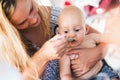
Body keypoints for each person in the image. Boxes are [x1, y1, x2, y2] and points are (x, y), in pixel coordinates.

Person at [0, 0, 107, 80]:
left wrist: (96, 53)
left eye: (31, 8)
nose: (34, 20)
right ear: (10, 27)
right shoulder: (6, 51)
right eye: (22, 22)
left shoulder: (57, 15)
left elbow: (107, 40)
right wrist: (43, 56)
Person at [58, 5, 119, 80]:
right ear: (59, 33)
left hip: (102, 71)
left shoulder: (91, 38)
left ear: (86, 29)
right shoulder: (64, 53)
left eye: (77, 30)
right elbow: (65, 75)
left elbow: (107, 38)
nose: (72, 35)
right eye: (66, 31)